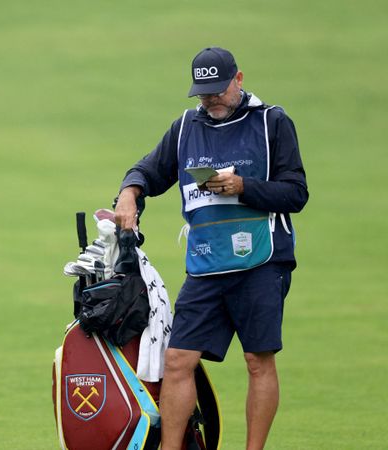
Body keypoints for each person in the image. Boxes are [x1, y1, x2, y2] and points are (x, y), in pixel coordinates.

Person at [114, 47, 308, 450]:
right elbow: (149, 170)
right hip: (205, 265)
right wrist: (129, 193)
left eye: (217, 90)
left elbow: (296, 192)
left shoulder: (272, 122)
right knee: (178, 360)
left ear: (238, 80)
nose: (210, 99)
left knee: (258, 361)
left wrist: (242, 187)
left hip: (261, 262)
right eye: (202, 93)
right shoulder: (186, 126)